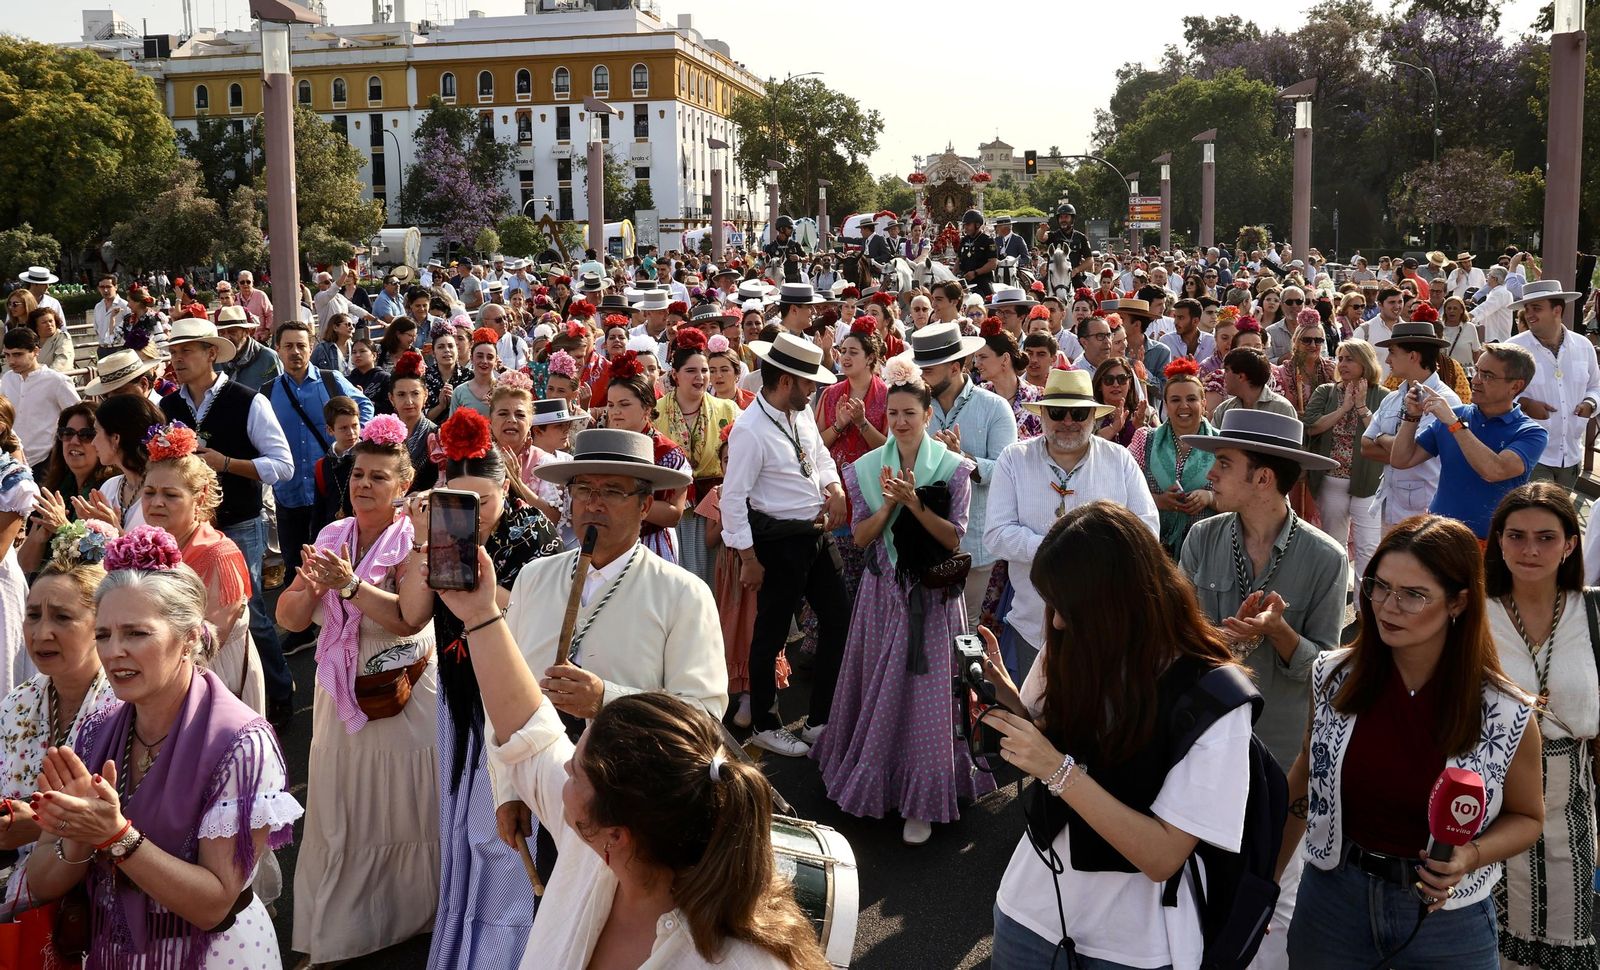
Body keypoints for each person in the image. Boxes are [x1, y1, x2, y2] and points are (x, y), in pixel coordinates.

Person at [430, 567, 827, 970]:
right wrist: (479, 613)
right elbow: (530, 729)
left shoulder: (742, 963)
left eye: (576, 771)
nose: (562, 762)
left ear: (616, 836)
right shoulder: (601, 847)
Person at [983, 501, 1253, 970]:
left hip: (1134, 946)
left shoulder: (1215, 697)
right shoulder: (1074, 642)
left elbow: (1162, 856)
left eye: (1068, 607)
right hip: (1028, 913)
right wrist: (1009, 700)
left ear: (1117, 602)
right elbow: (1051, 741)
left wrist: (1058, 771)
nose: (1058, 622)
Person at [23, 526, 302, 967]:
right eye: (103, 635)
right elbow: (41, 882)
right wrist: (78, 836)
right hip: (115, 952)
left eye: (136, 633)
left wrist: (117, 837)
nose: (114, 652)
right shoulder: (96, 729)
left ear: (189, 637)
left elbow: (214, 905)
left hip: (211, 955)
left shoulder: (240, 743)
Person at [1279, 515, 1544, 967]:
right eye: (1379, 587)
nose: (1388, 606)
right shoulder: (1333, 675)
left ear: (1459, 602)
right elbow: (1305, 774)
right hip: (1333, 904)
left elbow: (1528, 816)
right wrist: (1265, 878)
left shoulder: (1504, 709)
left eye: (1413, 594)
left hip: (1447, 922)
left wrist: (1469, 856)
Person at [395, 409, 561, 970]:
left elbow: (542, 625)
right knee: (464, 830)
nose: (472, 514)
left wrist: (483, 594)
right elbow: (413, 615)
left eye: (482, 502)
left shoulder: (534, 536)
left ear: (507, 487)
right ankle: (465, 943)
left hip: (512, 707)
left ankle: (511, 952)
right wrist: (422, 544)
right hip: (459, 697)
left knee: (504, 837)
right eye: (457, 501)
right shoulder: (440, 532)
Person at [277, 416, 439, 965]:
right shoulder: (332, 535)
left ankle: (408, 915)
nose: (364, 484)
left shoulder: (414, 539)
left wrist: (347, 584)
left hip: (399, 689)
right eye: (358, 475)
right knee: (342, 809)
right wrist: (310, 588)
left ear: (403, 485)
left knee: (399, 806)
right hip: (337, 688)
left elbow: (409, 620)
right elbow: (290, 617)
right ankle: (343, 928)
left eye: (378, 477)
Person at [811, 356, 992, 845]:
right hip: (882, 594)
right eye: (893, 413)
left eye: (910, 413)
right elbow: (862, 537)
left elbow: (954, 538)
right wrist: (891, 504)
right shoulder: (869, 468)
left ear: (928, 415)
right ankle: (878, 779)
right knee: (881, 689)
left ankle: (922, 800)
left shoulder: (954, 468)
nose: (901, 422)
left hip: (932, 598)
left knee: (927, 695)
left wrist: (915, 503)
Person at [160, 316, 298, 726]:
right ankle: (209, 702)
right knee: (191, 612)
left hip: (238, 521)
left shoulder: (247, 400)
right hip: (187, 528)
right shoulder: (169, 405)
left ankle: (278, 692)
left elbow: (283, 465)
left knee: (248, 611)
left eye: (186, 351)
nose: (178, 359)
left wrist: (227, 463)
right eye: (174, 352)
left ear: (210, 354)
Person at [1482, 485, 1598, 967]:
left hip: (1570, 804)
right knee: (1486, 943)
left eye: (1546, 537)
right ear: (1499, 541)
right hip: (1488, 799)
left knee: (1565, 941)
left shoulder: (1592, 612)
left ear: (1570, 544)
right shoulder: (1472, 614)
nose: (1530, 549)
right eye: (1517, 536)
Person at [986, 368, 1158, 681]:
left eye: (1078, 413)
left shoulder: (1119, 460)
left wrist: (1090, 557)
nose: (1068, 421)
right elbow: (997, 535)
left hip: (1105, 624)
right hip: (1034, 625)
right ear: (1042, 415)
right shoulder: (1014, 459)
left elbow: (1146, 532)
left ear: (1093, 417)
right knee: (1034, 709)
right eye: (1057, 412)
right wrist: (1061, 551)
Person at [722, 333, 849, 756]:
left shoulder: (801, 409)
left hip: (816, 534)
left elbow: (819, 456)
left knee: (839, 619)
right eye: (808, 381)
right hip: (778, 543)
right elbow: (732, 499)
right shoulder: (749, 430)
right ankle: (764, 723)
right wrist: (748, 557)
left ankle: (820, 719)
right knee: (771, 634)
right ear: (785, 381)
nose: (813, 389)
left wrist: (834, 487)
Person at [0, 520, 119, 911]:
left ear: (100, 625)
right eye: (33, 615)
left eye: (63, 618)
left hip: (108, 898)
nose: (41, 633)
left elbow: (139, 817)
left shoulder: (125, 707)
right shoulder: (18, 703)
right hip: (23, 896)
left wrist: (40, 825)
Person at [139, 422, 264, 714]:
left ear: (200, 497)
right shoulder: (150, 543)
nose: (156, 503)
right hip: (163, 673)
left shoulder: (219, 554)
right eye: (149, 492)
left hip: (214, 678)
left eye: (171, 495)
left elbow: (209, 642)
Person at [912, 321, 1019, 632]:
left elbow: (1005, 471)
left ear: (956, 367)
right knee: (924, 625)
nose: (923, 376)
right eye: (921, 368)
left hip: (973, 541)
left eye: (929, 369)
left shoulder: (995, 408)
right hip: (922, 538)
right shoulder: (914, 406)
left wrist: (962, 460)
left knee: (965, 629)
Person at [1390, 343, 1547, 540]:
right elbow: (1401, 460)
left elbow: (1494, 471)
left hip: (1492, 543)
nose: (1476, 380)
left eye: (1487, 376)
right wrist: (1412, 416)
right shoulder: (1455, 415)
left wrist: (1454, 424)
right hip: (1439, 536)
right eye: (1476, 370)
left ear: (1516, 386)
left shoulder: (1531, 432)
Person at [265, 319, 375, 586]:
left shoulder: (331, 380)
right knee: (294, 567)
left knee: (334, 563)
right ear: (278, 349)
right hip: (289, 493)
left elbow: (365, 408)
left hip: (329, 492)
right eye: (288, 346)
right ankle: (297, 613)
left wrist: (350, 440)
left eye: (301, 345)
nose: (295, 352)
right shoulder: (268, 392)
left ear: (311, 347)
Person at [657, 328, 739, 586]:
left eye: (704, 370)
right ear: (675, 375)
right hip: (671, 509)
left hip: (715, 510)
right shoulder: (656, 412)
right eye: (691, 371)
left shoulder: (727, 409)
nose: (700, 377)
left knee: (713, 582)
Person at [817, 318, 890, 600]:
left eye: (853, 352)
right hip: (836, 493)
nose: (845, 357)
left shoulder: (887, 396)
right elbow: (816, 446)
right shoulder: (831, 393)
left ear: (870, 357)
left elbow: (890, 450)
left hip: (871, 493)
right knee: (835, 583)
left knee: (868, 581)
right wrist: (838, 425)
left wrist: (861, 423)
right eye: (842, 350)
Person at [1503, 279, 1599, 491]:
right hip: (1530, 451)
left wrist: (1590, 404)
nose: (1529, 314)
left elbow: (1596, 387)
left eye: (1536, 308)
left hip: (1571, 454)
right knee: (1539, 508)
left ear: (1557, 310)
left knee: (1559, 511)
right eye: (1527, 308)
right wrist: (1525, 404)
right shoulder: (1513, 348)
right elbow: (1496, 392)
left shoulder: (1583, 346)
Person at [1303, 338, 1386, 582]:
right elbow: (1311, 427)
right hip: (1332, 480)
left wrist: (1360, 408)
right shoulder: (1326, 391)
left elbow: (1383, 436)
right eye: (1340, 359)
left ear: (1365, 362)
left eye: (1350, 359)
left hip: (1368, 482)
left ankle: (1364, 602)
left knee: (1368, 549)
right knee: (1334, 546)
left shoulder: (1383, 396)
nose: (1343, 364)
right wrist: (1342, 409)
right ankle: (1336, 596)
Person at [603, 351, 689, 564]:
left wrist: (625, 499)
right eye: (611, 404)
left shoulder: (668, 452)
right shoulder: (603, 443)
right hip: (607, 542)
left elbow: (673, 514)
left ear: (647, 408)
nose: (615, 411)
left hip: (651, 545)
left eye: (624, 404)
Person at [1129, 359, 1217, 557]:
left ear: (1204, 403)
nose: (1184, 406)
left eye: (1191, 399)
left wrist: (1210, 498)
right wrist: (1158, 501)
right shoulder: (1144, 440)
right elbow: (1125, 491)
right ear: (1166, 405)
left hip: (1208, 550)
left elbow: (1239, 497)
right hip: (1154, 549)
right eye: (1175, 400)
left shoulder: (1222, 445)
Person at [1, 327, 81, 465]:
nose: (11, 361)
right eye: (7, 355)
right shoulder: (7, 379)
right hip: (13, 459)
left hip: (47, 460)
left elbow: (79, 416)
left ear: (36, 351)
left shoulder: (57, 381)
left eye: (17, 354)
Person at [389, 351, 439, 494]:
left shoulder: (437, 435)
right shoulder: (383, 435)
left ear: (425, 395)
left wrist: (425, 495)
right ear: (391, 398)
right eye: (401, 395)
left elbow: (448, 481)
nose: (409, 401)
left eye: (415, 394)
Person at [1091, 355, 1153, 448]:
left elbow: (1158, 446)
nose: (1116, 384)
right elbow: (1086, 447)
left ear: (1130, 383)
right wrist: (1113, 429)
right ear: (1100, 385)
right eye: (1109, 380)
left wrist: (1140, 427)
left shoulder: (1146, 412)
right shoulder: (1090, 415)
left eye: (1122, 379)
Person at [452, 327, 502, 419]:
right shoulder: (459, 392)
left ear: (496, 361)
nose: (484, 361)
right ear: (471, 358)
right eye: (480, 356)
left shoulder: (504, 390)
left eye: (490, 357)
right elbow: (452, 425)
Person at [28, 305, 74, 373]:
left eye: (50, 321)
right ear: (36, 326)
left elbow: (63, 360)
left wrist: (47, 376)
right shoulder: (31, 340)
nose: (49, 324)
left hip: (56, 376)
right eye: (44, 322)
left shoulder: (62, 337)